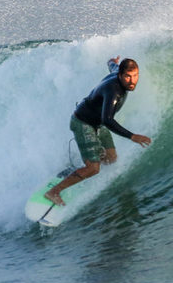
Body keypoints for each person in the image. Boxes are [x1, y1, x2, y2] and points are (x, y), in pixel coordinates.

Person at [45, 56, 152, 206]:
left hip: (97, 123)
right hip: (83, 123)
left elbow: (112, 65)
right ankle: (54, 192)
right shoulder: (114, 92)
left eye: (135, 76)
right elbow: (108, 120)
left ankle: (80, 168)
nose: (132, 81)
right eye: (128, 76)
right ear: (121, 75)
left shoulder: (117, 71)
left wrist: (112, 61)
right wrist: (132, 136)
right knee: (94, 168)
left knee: (111, 158)